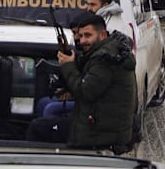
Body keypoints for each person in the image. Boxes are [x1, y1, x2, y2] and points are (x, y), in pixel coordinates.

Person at [58, 14, 136, 153]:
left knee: (38, 127)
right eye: (80, 36)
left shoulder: (105, 58)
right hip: (103, 131)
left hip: (99, 137)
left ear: (102, 35)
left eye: (88, 35)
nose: (82, 41)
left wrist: (68, 66)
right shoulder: (109, 52)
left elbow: (85, 92)